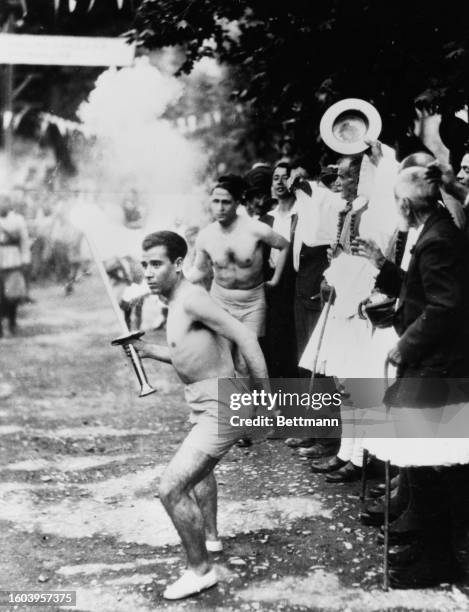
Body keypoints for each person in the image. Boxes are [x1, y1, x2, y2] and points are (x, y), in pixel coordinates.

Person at [131, 230, 269, 599]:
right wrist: (146, 349)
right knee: (199, 475)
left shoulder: (192, 299)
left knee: (171, 487)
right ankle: (210, 541)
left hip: (222, 404)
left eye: (156, 264)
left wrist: (267, 399)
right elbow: (187, 353)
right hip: (203, 400)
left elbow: (246, 337)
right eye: (143, 264)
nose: (147, 272)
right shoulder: (175, 302)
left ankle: (200, 571)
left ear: (178, 265)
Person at [353, 167, 469, 588]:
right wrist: (382, 265)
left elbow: (444, 306)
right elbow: (416, 291)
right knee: (421, 461)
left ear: (405, 204)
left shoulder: (437, 239)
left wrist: (406, 344)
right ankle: (427, 545)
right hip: (431, 361)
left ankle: (438, 557)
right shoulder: (435, 229)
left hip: (438, 365)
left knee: (431, 462)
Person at [187, 174, 289, 345]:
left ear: (236, 203)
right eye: (216, 201)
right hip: (220, 301)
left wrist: (276, 280)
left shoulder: (256, 229)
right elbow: (199, 269)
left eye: (226, 202)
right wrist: (174, 285)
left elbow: (284, 245)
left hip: (252, 303)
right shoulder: (206, 236)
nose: (220, 207)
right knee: (224, 357)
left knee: (246, 361)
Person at [260, 162, 298, 377]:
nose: (280, 182)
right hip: (270, 288)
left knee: (292, 346)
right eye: (276, 178)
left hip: (293, 286)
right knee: (271, 344)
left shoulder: (301, 215)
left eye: (285, 177)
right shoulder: (266, 219)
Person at [0, 195, 30, 337]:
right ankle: (2, 325)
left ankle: (11, 322)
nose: (2, 206)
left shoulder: (17, 220)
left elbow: (24, 241)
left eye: (4, 202)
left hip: (13, 260)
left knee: (12, 294)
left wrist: (25, 260)